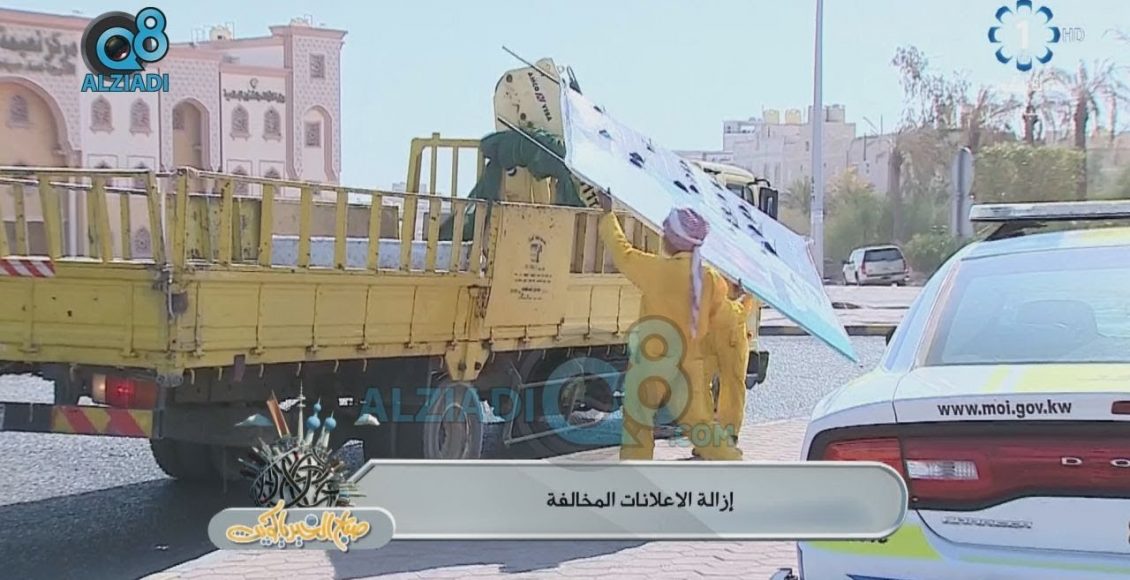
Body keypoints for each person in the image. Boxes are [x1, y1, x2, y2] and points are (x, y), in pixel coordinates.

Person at [595, 192, 742, 461]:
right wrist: (738, 296)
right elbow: (724, 316)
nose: (662, 236)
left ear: (673, 241)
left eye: (665, 232)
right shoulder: (709, 278)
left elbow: (623, 253)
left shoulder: (657, 270)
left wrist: (608, 215)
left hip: (651, 361)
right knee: (701, 426)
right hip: (689, 364)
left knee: (638, 423)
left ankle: (636, 472)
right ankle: (733, 463)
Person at [697, 279, 761, 456]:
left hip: (728, 325)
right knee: (701, 384)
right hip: (714, 324)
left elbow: (752, 290)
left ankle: (724, 437)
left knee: (729, 384)